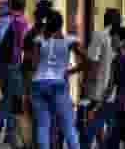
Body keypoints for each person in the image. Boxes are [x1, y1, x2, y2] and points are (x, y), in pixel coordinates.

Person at [27, 8, 80, 149]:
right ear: (61, 24)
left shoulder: (39, 40)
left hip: (38, 83)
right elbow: (88, 62)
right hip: (58, 84)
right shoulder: (70, 41)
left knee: (43, 126)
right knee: (68, 126)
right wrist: (70, 71)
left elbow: (33, 64)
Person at [79, 7, 122, 146]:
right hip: (117, 92)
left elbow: (92, 62)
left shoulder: (99, 35)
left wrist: (85, 83)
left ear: (106, 19)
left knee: (90, 127)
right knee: (112, 127)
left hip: (99, 90)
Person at [0, 0, 30, 146]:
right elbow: (23, 44)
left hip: (0, 65)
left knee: (8, 97)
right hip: (14, 65)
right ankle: (4, 130)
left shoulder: (1, 21)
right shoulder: (20, 21)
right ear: (23, 7)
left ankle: (6, 131)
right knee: (15, 99)